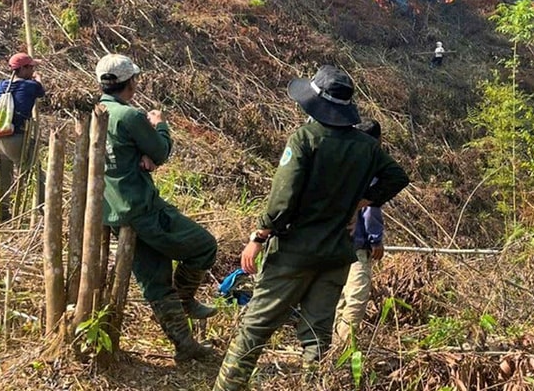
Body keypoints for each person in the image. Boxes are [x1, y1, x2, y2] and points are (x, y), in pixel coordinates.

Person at [213, 65, 410, 391]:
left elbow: (282, 200)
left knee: (255, 327)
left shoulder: (305, 139)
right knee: (316, 338)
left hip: (294, 252)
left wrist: (259, 236)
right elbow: (397, 177)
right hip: (335, 255)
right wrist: (365, 200)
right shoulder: (367, 146)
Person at [96, 53, 218, 363]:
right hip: (142, 208)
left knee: (155, 280)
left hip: (114, 212)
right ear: (130, 83)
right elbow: (161, 152)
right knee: (204, 246)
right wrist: (160, 126)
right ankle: (186, 299)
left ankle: (184, 345)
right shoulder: (131, 116)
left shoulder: (95, 112)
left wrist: (139, 157)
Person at [334, 118, 385, 345]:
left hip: (336, 242)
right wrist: (376, 240)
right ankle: (344, 347)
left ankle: (331, 343)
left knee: (341, 295)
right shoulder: (370, 168)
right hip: (357, 243)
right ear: (378, 141)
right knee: (357, 295)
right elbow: (371, 209)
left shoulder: (343, 164)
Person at [0, 52, 45, 222]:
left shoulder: (0, 86)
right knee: (36, 174)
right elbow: (41, 91)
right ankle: (41, 212)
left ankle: (2, 215)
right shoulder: (31, 86)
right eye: (31, 67)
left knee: (1, 177)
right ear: (22, 69)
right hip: (17, 137)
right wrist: (38, 78)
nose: (33, 70)